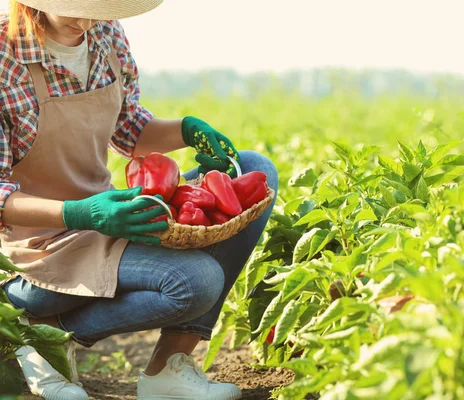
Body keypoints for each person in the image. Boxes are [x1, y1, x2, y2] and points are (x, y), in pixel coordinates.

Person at [0, 0, 278, 399]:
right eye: (74, 9)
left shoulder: (105, 32)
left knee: (253, 168)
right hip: (37, 247)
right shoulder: (4, 53)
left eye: (98, 8)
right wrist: (82, 212)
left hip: (106, 218)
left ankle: (168, 369)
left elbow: (129, 130)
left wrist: (186, 130)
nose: (87, 21)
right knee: (196, 282)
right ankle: (41, 336)